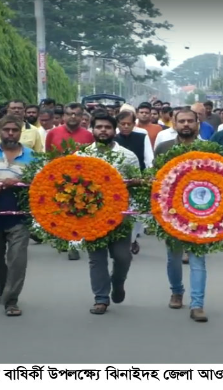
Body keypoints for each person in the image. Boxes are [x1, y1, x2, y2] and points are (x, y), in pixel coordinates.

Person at [79, 111, 141, 315]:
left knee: (122, 257)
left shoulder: (128, 156)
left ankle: (118, 282)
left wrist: (133, 184)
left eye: (107, 127)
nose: (103, 130)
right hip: (91, 217)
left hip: (120, 216)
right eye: (99, 127)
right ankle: (101, 298)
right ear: (92, 130)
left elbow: (137, 185)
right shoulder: (82, 156)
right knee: (96, 259)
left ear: (114, 131)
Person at [154, 108, 208, 322]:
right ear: (174, 124)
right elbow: (155, 180)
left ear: (197, 123)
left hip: (202, 211)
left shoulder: (209, 148)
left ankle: (197, 305)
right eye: (181, 121)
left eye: (190, 121)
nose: (186, 124)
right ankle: (177, 291)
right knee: (174, 257)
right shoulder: (164, 148)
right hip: (171, 212)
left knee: (198, 258)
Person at [0, 115, 34, 317]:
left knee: (17, 260)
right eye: (6, 130)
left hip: (20, 217)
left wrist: (20, 183)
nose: (10, 133)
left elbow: (42, 185)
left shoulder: (33, 157)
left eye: (15, 130)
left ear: (20, 132)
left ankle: (11, 300)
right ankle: (4, 286)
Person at [116, 110, 154, 255]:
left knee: (138, 212)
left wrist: (148, 176)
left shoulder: (142, 137)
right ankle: (122, 239)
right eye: (123, 123)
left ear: (134, 124)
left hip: (139, 179)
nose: (126, 126)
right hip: (118, 181)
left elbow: (149, 158)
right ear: (118, 124)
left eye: (129, 124)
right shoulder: (113, 138)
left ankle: (132, 239)